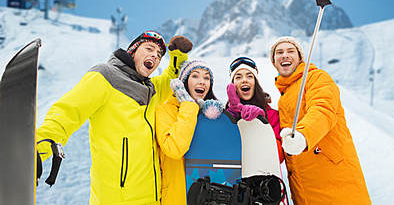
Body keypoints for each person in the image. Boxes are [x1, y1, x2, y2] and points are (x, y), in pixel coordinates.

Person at [36, 31, 193, 205]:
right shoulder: (105, 75)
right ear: (133, 51)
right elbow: (68, 111)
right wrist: (38, 146)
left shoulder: (151, 88)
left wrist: (178, 54)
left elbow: (172, 77)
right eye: (149, 48)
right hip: (116, 199)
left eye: (158, 55)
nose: (154, 56)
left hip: (152, 198)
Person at [270, 36, 371, 205]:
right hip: (306, 192)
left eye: (290, 51)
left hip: (335, 184)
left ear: (300, 58)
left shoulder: (317, 78)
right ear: (274, 62)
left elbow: (323, 110)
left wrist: (303, 134)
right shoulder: (284, 96)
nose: (284, 55)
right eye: (279, 52)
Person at [155, 60, 223, 205]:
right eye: (195, 76)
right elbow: (174, 149)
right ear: (184, 82)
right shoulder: (165, 110)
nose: (202, 82)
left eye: (207, 78)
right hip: (176, 196)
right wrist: (188, 105)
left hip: (209, 194)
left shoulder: (211, 114)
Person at [226, 56, 284, 162]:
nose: (244, 80)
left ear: (255, 83)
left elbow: (278, 157)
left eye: (249, 76)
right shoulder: (226, 117)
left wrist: (260, 123)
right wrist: (235, 112)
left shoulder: (272, 116)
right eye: (238, 77)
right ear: (233, 85)